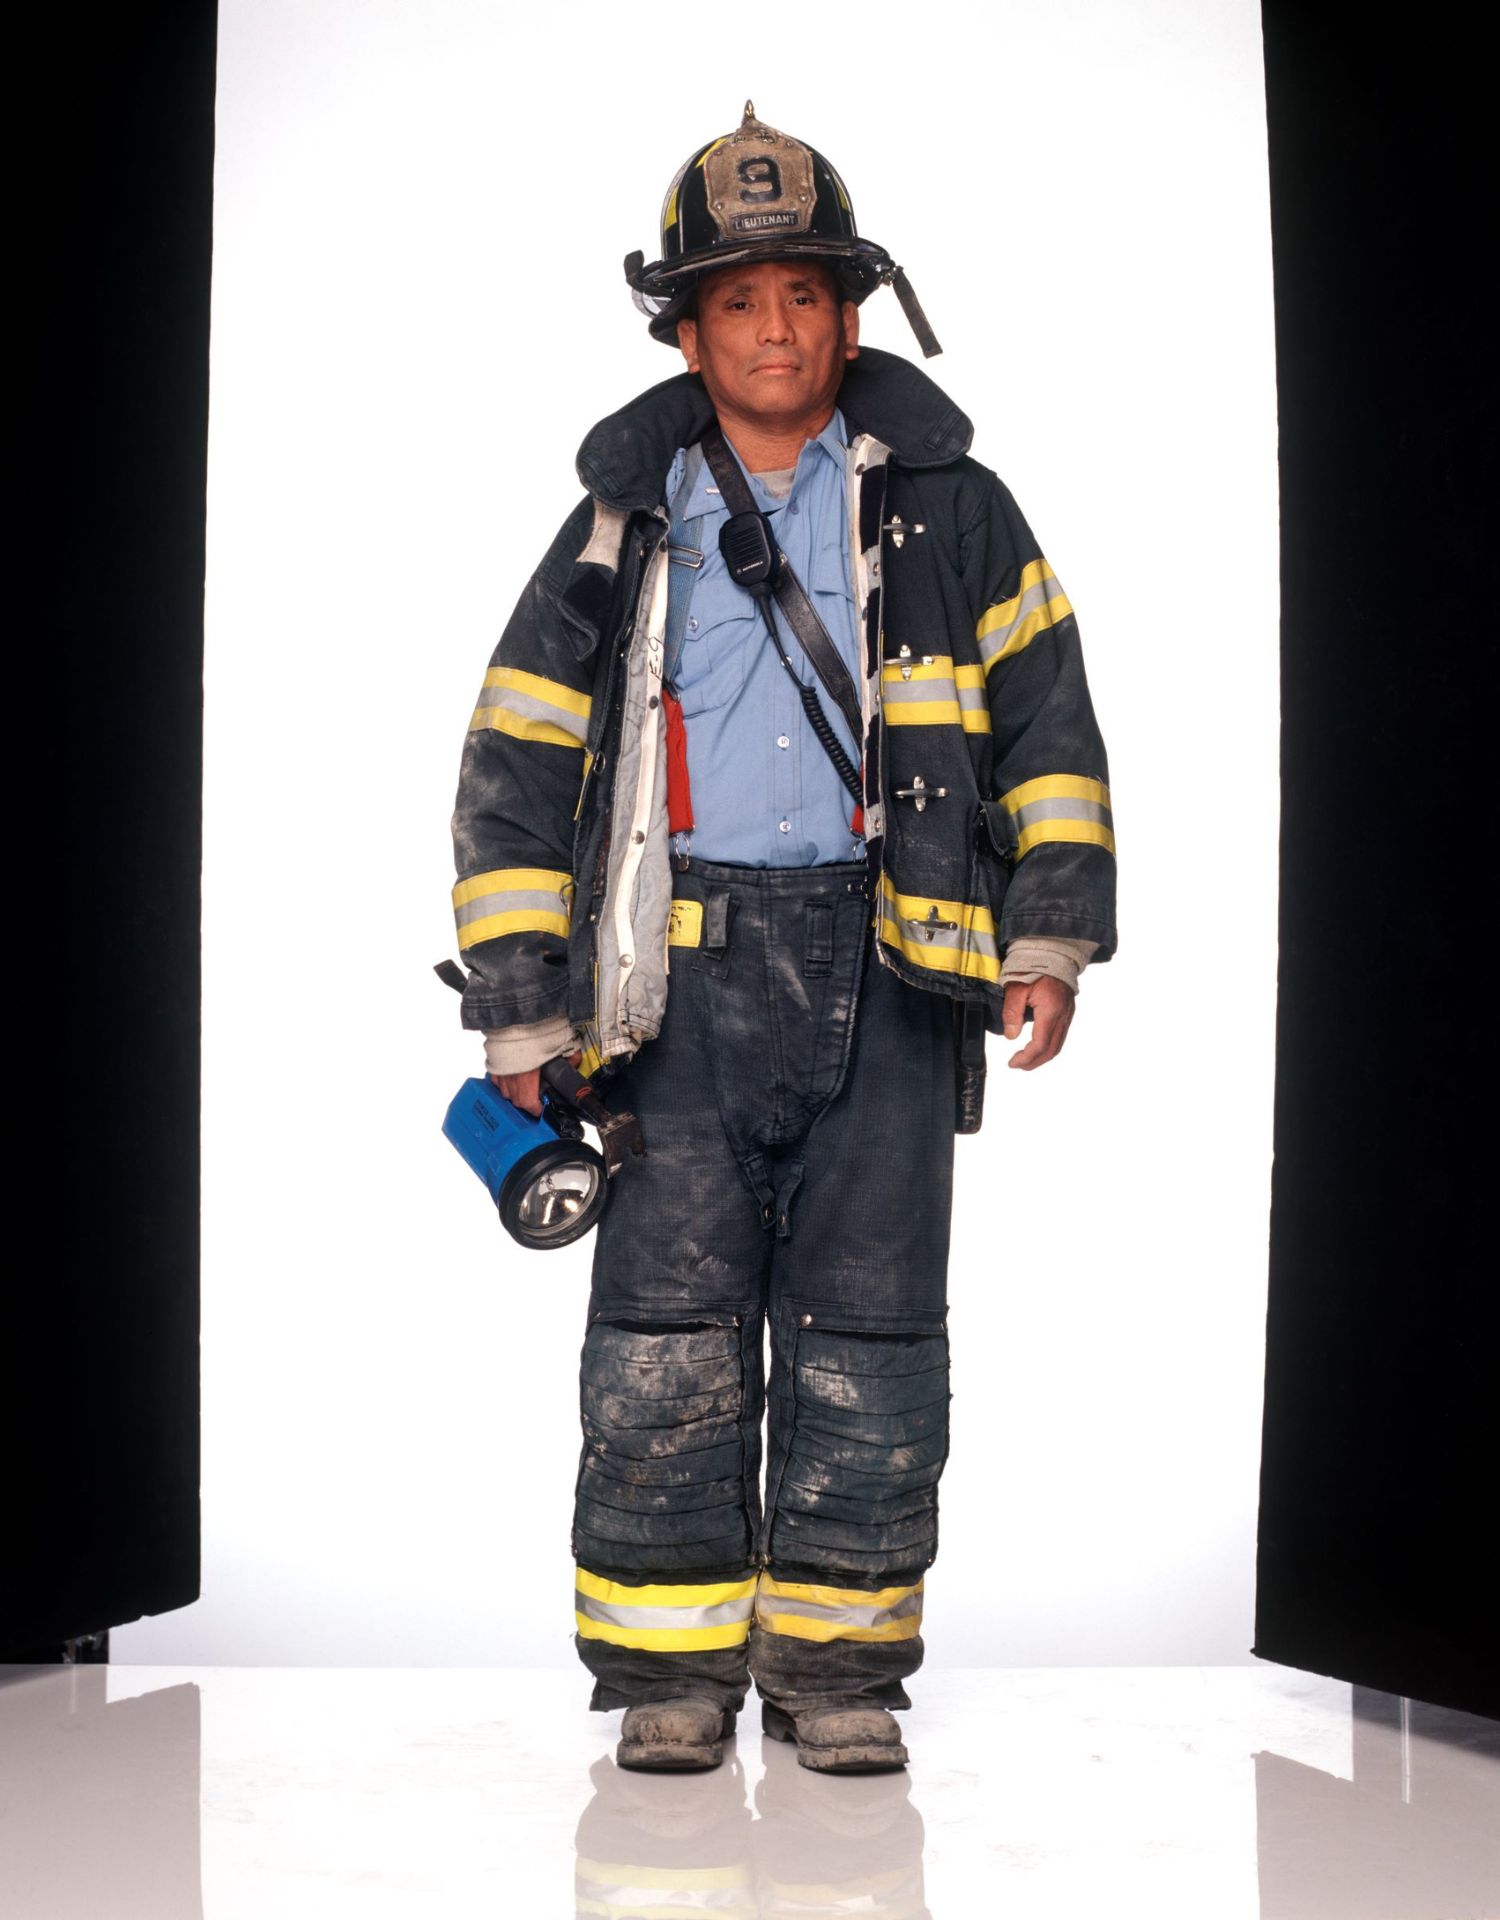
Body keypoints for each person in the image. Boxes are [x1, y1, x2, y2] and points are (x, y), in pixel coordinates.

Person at [448, 104, 1116, 1774]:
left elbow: (1049, 724)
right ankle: (665, 1680)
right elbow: (515, 759)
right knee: (665, 1332)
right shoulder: (621, 521)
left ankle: (841, 1675)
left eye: (803, 296)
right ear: (685, 326)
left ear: (851, 314)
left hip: (899, 970)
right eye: (736, 301)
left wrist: (1048, 936)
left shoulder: (954, 513)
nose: (773, 329)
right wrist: (524, 1010)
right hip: (668, 986)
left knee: (872, 1331)